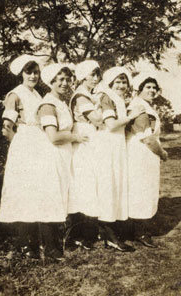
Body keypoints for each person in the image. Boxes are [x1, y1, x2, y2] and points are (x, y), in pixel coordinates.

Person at [36, 63, 88, 260]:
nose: (65, 83)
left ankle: (58, 242)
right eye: (60, 80)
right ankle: (50, 248)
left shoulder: (62, 103)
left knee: (60, 196)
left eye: (67, 79)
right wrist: (75, 137)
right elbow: (53, 137)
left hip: (63, 155)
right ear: (51, 82)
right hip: (52, 155)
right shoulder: (48, 105)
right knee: (51, 197)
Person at [0, 54, 44, 259]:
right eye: (29, 72)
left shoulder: (36, 94)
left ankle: (34, 240)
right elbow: (7, 127)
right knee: (24, 192)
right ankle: (24, 243)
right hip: (24, 143)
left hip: (38, 141)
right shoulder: (15, 94)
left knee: (36, 190)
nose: (33, 76)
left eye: (36, 72)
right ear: (21, 74)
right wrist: (19, 147)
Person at [95, 66, 144, 252]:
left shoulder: (119, 99)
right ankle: (109, 235)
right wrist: (131, 116)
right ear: (110, 83)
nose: (122, 85)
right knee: (109, 185)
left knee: (117, 185)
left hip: (117, 145)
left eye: (124, 82)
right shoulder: (106, 96)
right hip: (107, 144)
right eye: (118, 82)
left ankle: (111, 232)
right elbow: (111, 124)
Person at [127, 73, 168, 248]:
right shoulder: (140, 107)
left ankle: (138, 228)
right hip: (141, 153)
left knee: (142, 189)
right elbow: (148, 139)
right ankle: (141, 232)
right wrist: (163, 153)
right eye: (148, 87)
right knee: (142, 190)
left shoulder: (144, 105)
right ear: (140, 89)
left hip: (143, 153)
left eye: (154, 87)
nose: (152, 90)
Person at [68, 60, 103, 249]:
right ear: (83, 76)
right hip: (84, 140)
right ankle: (79, 234)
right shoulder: (81, 96)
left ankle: (86, 231)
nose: (96, 78)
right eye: (92, 75)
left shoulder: (89, 95)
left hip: (89, 140)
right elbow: (96, 119)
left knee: (89, 183)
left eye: (98, 75)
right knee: (83, 183)